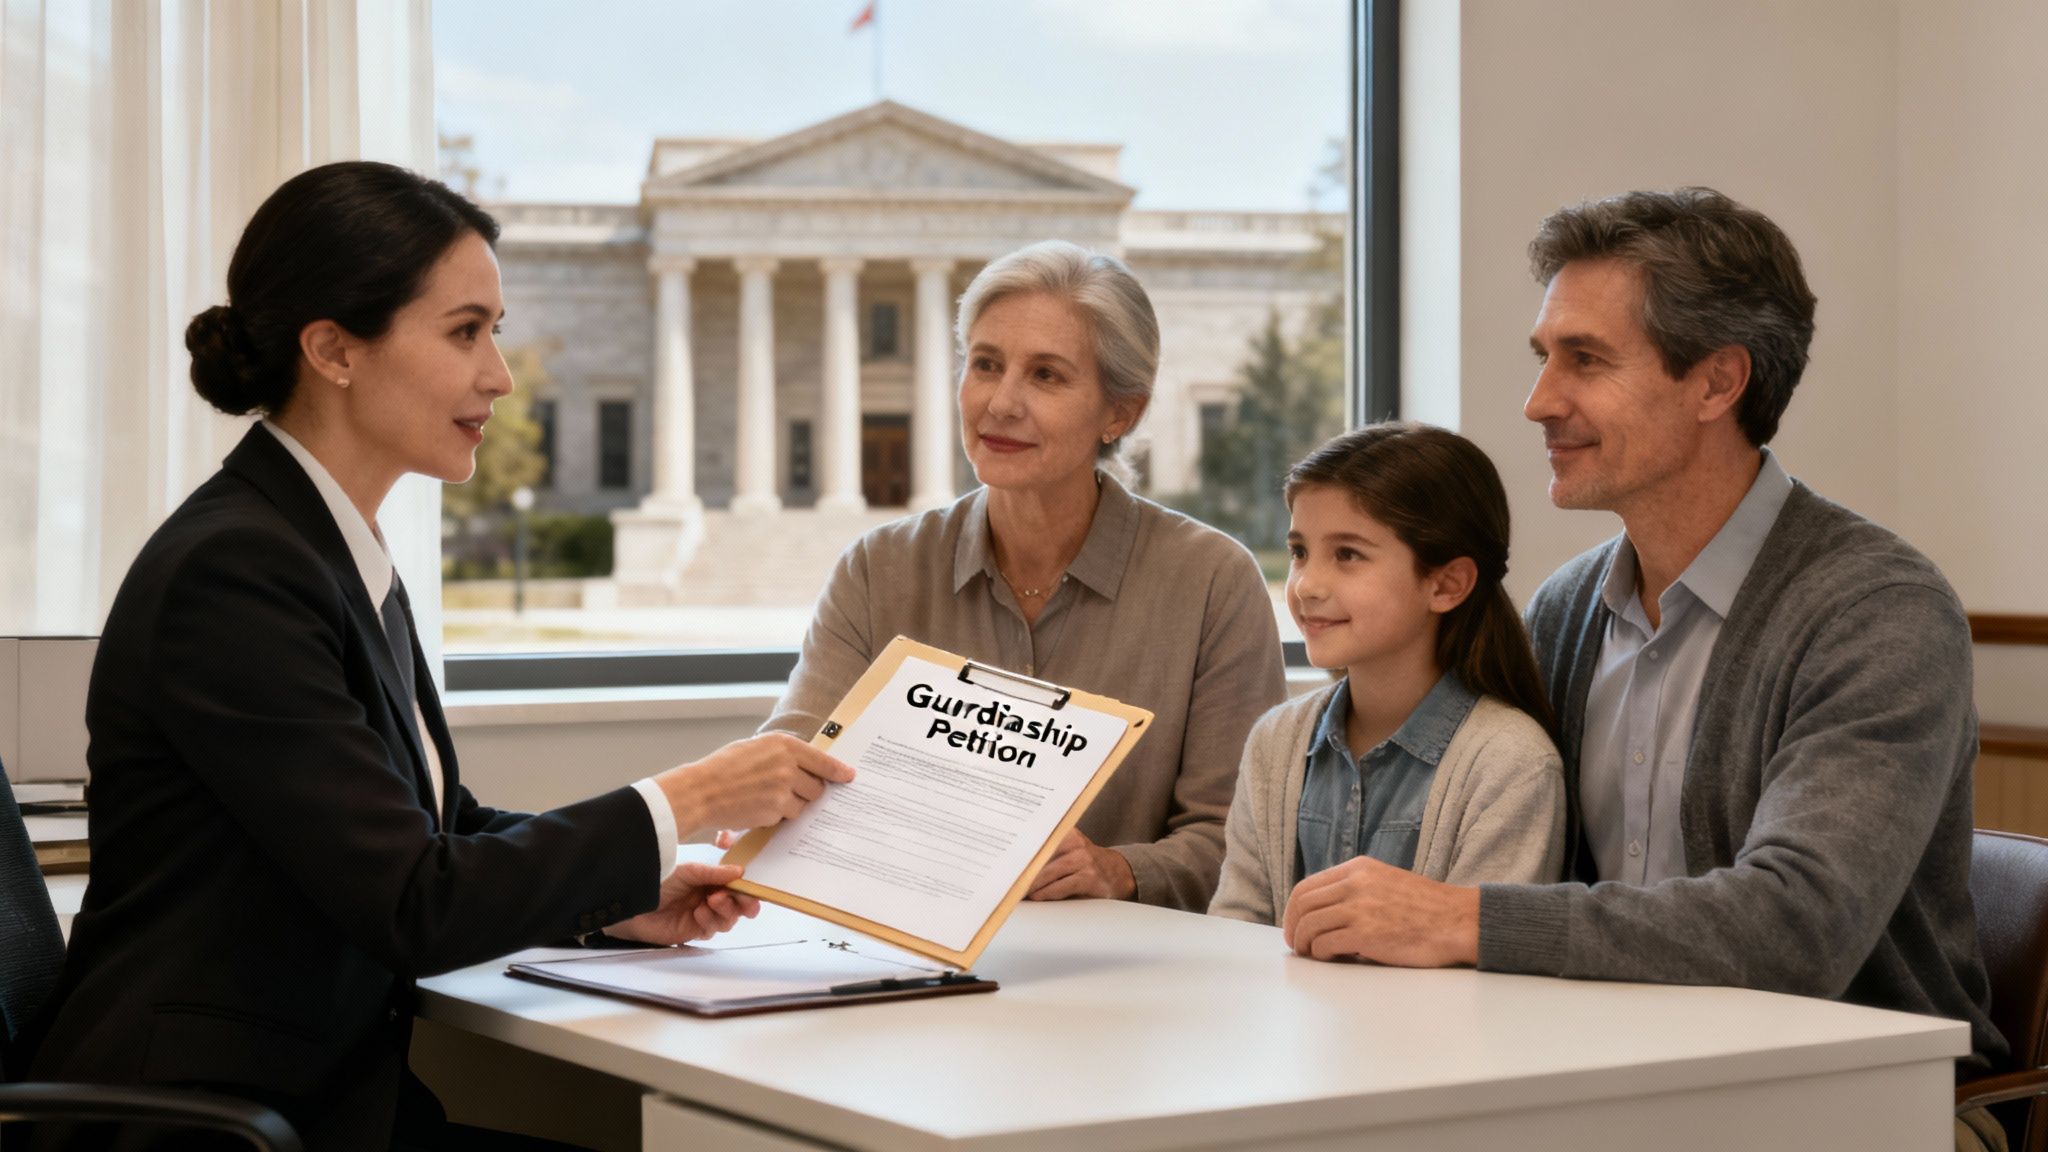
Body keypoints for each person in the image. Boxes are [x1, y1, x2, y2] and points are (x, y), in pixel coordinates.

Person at [27, 161, 853, 1152]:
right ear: (333, 349)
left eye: (494, 333)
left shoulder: (329, 547)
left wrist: (629, 894)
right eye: (465, 331)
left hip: (317, 1104)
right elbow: (414, 901)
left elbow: (436, 828)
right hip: (207, 1129)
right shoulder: (237, 571)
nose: (499, 376)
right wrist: (689, 797)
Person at [1273, 188, 2006, 1148]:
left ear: (1716, 384)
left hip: (1868, 1099)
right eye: (1544, 359)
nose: (1538, 402)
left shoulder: (1877, 611)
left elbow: (1796, 929)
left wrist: (1462, 922)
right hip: (1616, 1082)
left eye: (1585, 360)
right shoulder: (1568, 606)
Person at [763, 240, 1286, 912]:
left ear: (1120, 412)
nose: (1001, 403)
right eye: (985, 364)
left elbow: (1241, 840)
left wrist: (1117, 869)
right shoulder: (877, 569)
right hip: (902, 957)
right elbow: (794, 759)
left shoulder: (1213, 581)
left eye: (1046, 375)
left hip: (1126, 985)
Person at [1210, 423, 1565, 927]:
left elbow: (1486, 971)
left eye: (1347, 555)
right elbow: (1235, 935)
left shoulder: (1511, 765)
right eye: (1299, 552)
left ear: (1447, 584)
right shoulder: (1275, 742)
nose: (1307, 585)